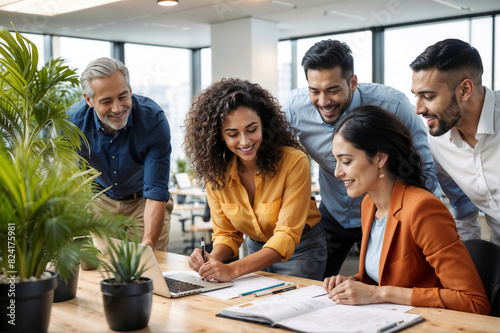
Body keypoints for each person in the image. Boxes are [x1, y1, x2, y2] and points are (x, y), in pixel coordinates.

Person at [284, 39, 439, 278]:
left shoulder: (393, 106)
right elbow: (279, 158)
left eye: (333, 90)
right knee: (317, 288)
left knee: (394, 284)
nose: (323, 101)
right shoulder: (295, 108)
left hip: (386, 214)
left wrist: (424, 219)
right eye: (314, 91)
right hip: (333, 213)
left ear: (353, 82)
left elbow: (423, 166)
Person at [324, 105, 489, 314]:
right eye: (336, 160)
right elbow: (383, 275)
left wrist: (380, 294)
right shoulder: (369, 204)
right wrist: (350, 283)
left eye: (346, 161)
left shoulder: (422, 209)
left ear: (380, 158)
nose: (338, 172)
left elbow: (474, 301)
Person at [185, 78, 327, 282]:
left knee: (290, 309)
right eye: (233, 134)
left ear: (264, 124)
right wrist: (210, 260)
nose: (244, 141)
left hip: (301, 249)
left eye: (251, 130)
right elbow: (227, 234)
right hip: (256, 248)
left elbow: (286, 235)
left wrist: (232, 270)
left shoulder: (294, 162)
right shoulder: (216, 173)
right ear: (219, 137)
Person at [67, 57, 174, 251]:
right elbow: (73, 184)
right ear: (89, 100)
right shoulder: (73, 124)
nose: (117, 109)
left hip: (144, 200)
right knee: (96, 268)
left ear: (131, 90)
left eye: (123, 97)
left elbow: (156, 188)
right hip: (99, 199)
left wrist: (148, 246)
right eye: (106, 101)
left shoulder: (153, 120)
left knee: (152, 267)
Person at [410, 38, 500, 245]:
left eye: (428, 96)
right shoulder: (438, 141)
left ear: (465, 90)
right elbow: (463, 209)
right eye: (416, 96)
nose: (419, 109)